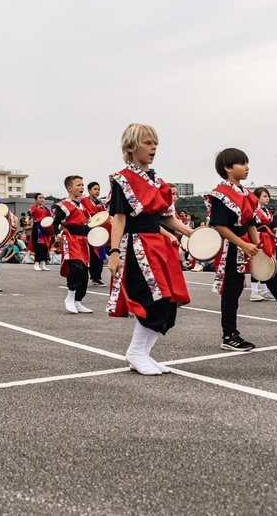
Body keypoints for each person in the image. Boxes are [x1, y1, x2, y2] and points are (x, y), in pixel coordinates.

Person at [205, 159, 277, 351]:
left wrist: (255, 246)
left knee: (271, 272)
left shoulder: (246, 194)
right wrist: (243, 244)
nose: (247, 167)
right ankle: (229, 335)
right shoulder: (221, 194)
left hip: (246, 244)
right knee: (232, 291)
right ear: (228, 168)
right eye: (242, 164)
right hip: (230, 248)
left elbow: (250, 223)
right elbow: (220, 226)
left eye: (247, 163)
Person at [107, 123, 191, 375]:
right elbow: (119, 219)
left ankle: (143, 354)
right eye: (147, 142)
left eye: (155, 142)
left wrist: (192, 234)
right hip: (136, 246)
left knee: (168, 301)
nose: (153, 147)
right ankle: (135, 352)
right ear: (131, 147)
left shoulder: (159, 181)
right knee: (151, 299)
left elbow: (166, 217)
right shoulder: (122, 179)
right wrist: (113, 253)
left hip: (159, 245)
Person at [53, 176, 97, 313]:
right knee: (76, 268)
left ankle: (78, 301)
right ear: (69, 188)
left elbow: (87, 225)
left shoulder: (83, 206)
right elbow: (55, 223)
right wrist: (57, 234)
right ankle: (70, 297)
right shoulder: (63, 206)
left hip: (82, 240)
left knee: (84, 272)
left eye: (83, 184)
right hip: (70, 239)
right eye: (78, 185)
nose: (82, 187)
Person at [86, 181, 107, 286]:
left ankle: (96, 277)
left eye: (98, 189)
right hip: (88, 229)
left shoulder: (100, 203)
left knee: (99, 254)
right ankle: (90, 276)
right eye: (95, 189)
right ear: (89, 190)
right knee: (91, 253)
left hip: (99, 229)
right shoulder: (83, 201)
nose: (97, 191)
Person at [28, 193, 53, 271]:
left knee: (45, 246)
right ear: (36, 200)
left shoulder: (46, 209)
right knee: (38, 246)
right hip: (38, 228)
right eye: (40, 198)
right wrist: (27, 220)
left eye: (43, 198)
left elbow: (50, 217)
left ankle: (43, 264)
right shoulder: (33, 208)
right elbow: (29, 216)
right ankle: (36, 263)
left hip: (45, 229)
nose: (42, 199)